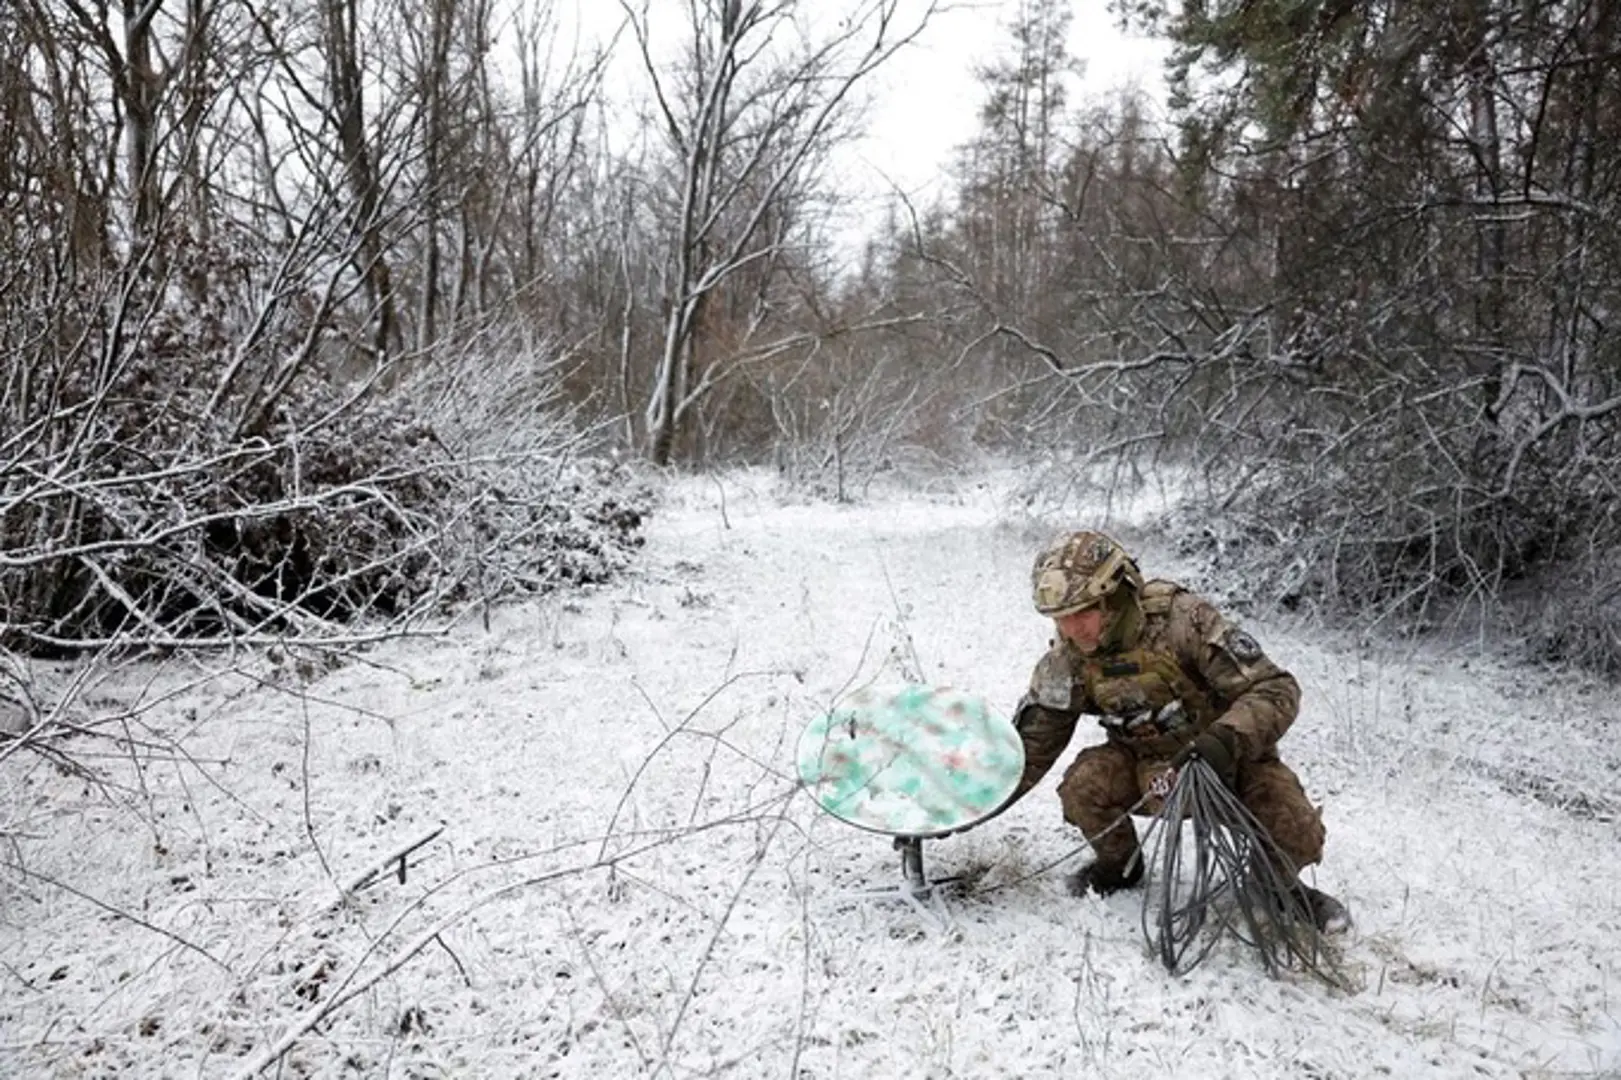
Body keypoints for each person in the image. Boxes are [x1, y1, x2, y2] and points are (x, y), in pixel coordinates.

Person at [1007, 529, 1350, 933]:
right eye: (1060, 618)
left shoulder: (1184, 622)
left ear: (1115, 596)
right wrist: (961, 806)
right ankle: (1119, 868)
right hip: (1146, 771)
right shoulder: (1067, 660)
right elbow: (1031, 747)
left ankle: (1275, 887)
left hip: (1227, 764)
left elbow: (1275, 688)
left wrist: (1224, 741)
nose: (1072, 629)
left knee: (1295, 826)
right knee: (1084, 786)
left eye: (1084, 612)